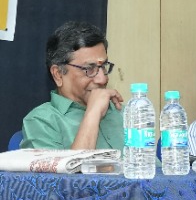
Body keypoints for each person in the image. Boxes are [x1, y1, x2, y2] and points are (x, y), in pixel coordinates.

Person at [20, 20, 123, 150]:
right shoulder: (40, 122)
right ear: (58, 74)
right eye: (89, 69)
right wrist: (93, 113)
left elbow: (152, 168)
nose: (102, 79)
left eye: (103, 66)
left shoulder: (122, 112)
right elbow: (72, 168)